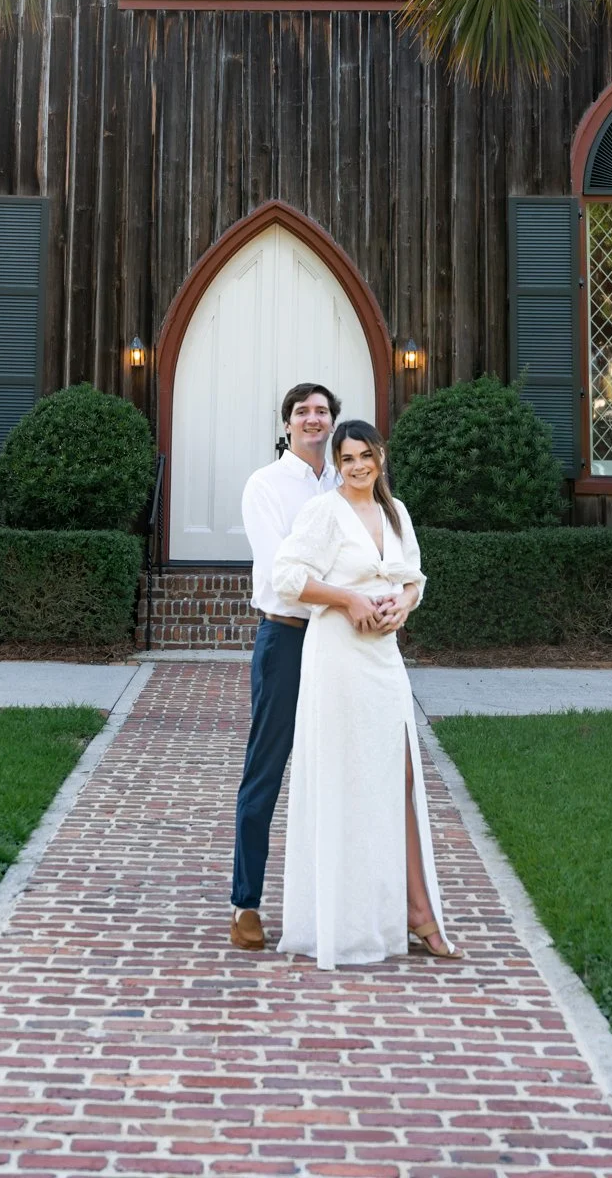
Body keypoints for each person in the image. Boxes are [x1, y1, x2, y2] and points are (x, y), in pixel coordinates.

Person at [271, 419, 457, 969]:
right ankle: (382, 916)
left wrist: (403, 604)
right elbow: (287, 577)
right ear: (338, 464)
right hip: (337, 657)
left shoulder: (396, 512)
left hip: (383, 659)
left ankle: (411, 908)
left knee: (400, 776)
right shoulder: (323, 513)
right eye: (347, 458)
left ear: (380, 456)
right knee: (346, 777)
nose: (358, 466)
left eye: (365, 455)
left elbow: (413, 577)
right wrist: (348, 600)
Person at [229, 380, 341, 951]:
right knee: (266, 770)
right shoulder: (266, 485)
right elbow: (281, 573)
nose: (313, 419)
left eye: (322, 411)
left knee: (341, 771)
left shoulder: (347, 482)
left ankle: (336, 901)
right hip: (288, 638)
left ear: (334, 422)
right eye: (303, 411)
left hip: (342, 642)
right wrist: (345, 595)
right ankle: (245, 904)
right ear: (288, 423)